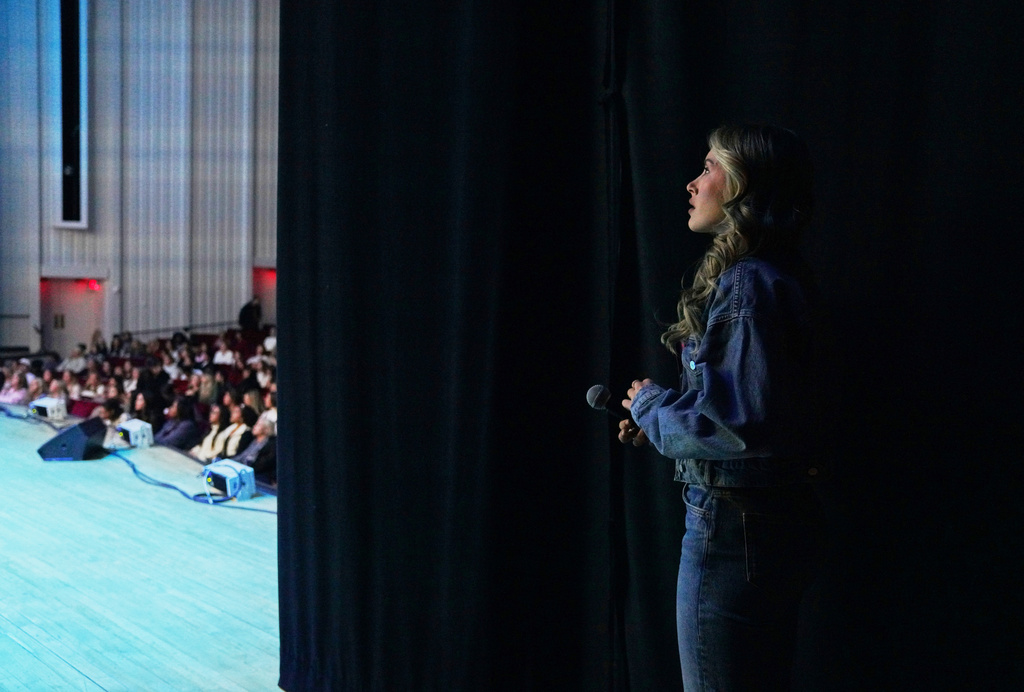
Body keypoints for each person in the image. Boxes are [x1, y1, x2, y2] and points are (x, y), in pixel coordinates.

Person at [618, 124, 824, 691]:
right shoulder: (778, 276)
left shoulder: (747, 284)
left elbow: (736, 425)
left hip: (733, 530)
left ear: (742, 185)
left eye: (709, 166)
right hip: (772, 525)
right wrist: (668, 420)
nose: (692, 183)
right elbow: (764, 408)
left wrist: (654, 408)